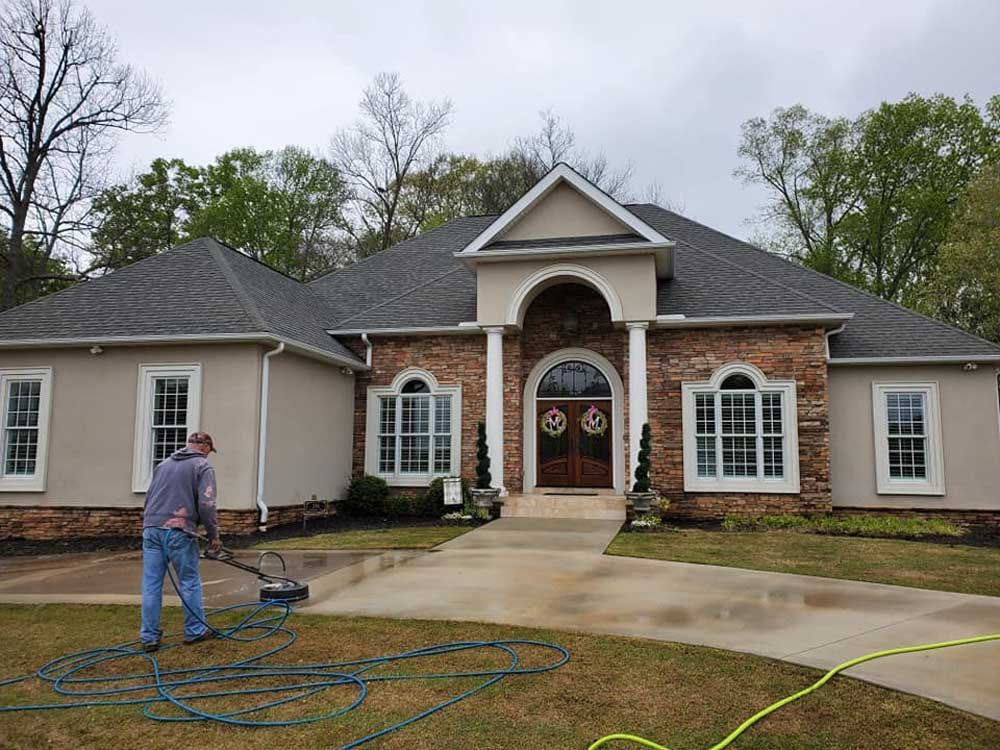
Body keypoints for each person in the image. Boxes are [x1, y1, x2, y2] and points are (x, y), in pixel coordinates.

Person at [139, 431, 222, 652]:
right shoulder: (202, 466)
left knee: (151, 584)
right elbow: (207, 503)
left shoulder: (163, 464)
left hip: (151, 528)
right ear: (205, 447)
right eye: (209, 451)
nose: (208, 455)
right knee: (188, 580)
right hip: (178, 530)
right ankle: (195, 631)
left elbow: (149, 498)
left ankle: (149, 637)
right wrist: (214, 535)